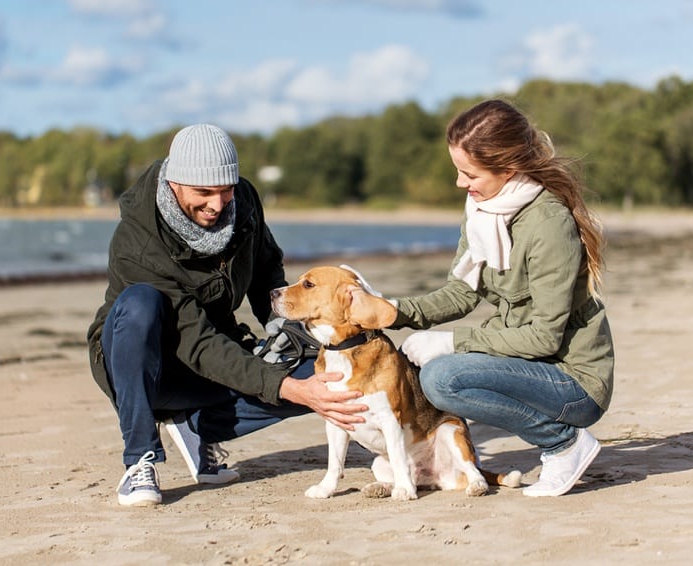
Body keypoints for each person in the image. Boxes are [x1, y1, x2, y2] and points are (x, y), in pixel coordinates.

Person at [87, 123, 367, 507]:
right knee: (140, 304)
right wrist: (289, 389)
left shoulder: (245, 201)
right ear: (175, 184)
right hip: (143, 363)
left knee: (319, 374)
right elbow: (197, 341)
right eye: (204, 192)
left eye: (225, 190)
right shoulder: (137, 243)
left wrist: (284, 331)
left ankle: (195, 425)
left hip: (212, 350)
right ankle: (140, 458)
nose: (218, 204)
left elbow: (266, 266)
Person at [368, 99, 614, 497]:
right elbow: (463, 291)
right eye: (458, 171)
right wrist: (395, 311)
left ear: (509, 168)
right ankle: (560, 442)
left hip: (573, 382)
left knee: (442, 378)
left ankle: (564, 443)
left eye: (469, 173)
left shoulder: (548, 224)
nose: (460, 184)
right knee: (440, 375)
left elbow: (544, 338)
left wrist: (450, 342)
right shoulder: (484, 211)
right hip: (525, 366)